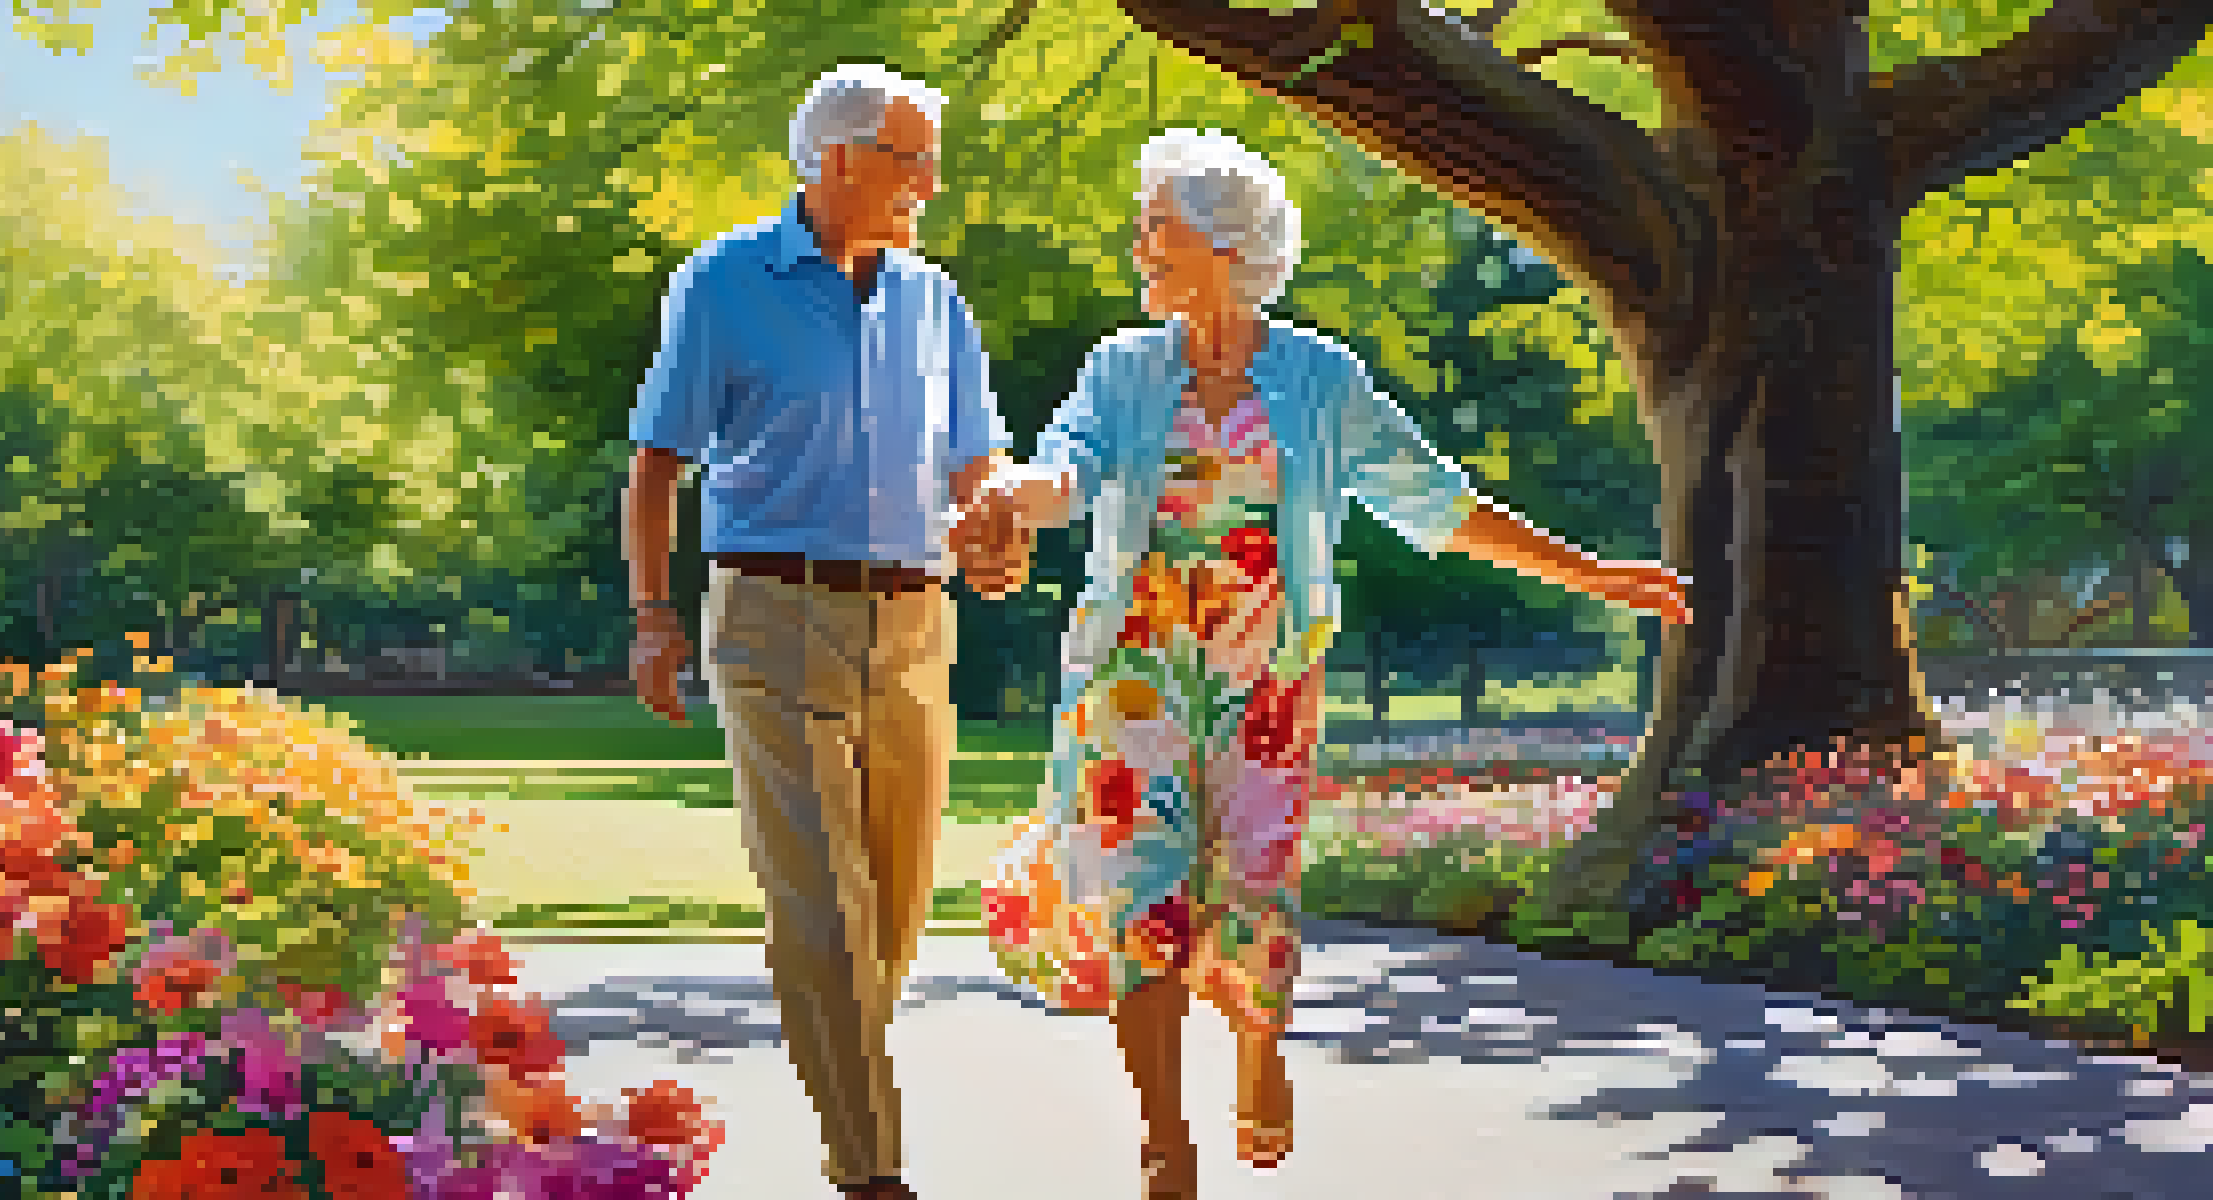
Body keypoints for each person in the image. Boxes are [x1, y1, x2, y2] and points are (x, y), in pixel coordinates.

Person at [953, 129, 1691, 1199]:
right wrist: (1013, 496)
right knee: (1138, 899)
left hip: (1266, 685)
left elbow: (1435, 503)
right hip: (1132, 677)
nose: (1139, 243)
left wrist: (1589, 573)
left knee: (1253, 890)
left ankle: (1259, 1046)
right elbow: (1069, 469)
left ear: (1221, 242)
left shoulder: (1316, 381)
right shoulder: (1121, 368)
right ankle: (1163, 1134)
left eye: (1156, 224)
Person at [623, 64, 1019, 1200]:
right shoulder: (724, 283)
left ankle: (840, 1069)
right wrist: (654, 618)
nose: (931, 184)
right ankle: (873, 1171)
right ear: (837, 160)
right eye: (911, 159)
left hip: (913, 622)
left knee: (891, 910)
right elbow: (656, 465)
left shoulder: (936, 300)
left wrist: (992, 530)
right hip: (772, 612)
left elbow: (974, 465)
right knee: (824, 903)